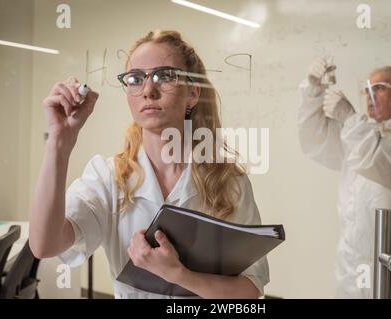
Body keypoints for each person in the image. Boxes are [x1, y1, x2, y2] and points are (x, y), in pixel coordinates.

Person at [29, 30, 269, 299]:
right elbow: (44, 245)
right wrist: (59, 145)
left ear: (192, 93)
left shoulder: (229, 181)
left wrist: (178, 274)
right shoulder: (108, 177)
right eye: (135, 79)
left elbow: (250, 290)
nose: (148, 91)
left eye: (164, 76)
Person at [298, 58, 391, 298]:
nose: (369, 95)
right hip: (352, 261)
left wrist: (350, 119)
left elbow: (385, 165)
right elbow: (315, 139)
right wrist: (313, 90)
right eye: (367, 89)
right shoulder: (363, 136)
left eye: (379, 88)